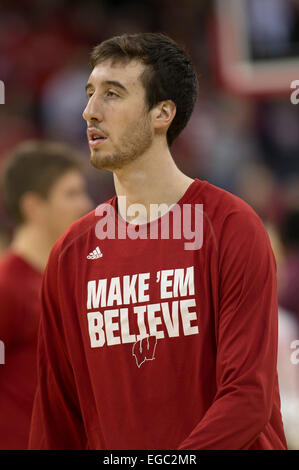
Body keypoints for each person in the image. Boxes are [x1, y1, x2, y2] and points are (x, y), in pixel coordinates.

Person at [28, 33, 287, 450]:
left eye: (112, 94)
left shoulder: (231, 227)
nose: (89, 111)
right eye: (90, 93)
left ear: (162, 112)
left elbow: (247, 398)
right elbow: (58, 419)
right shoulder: (70, 254)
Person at [0, 140, 92, 449]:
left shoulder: (67, 284)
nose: (85, 204)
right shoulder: (7, 287)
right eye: (71, 194)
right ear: (33, 207)